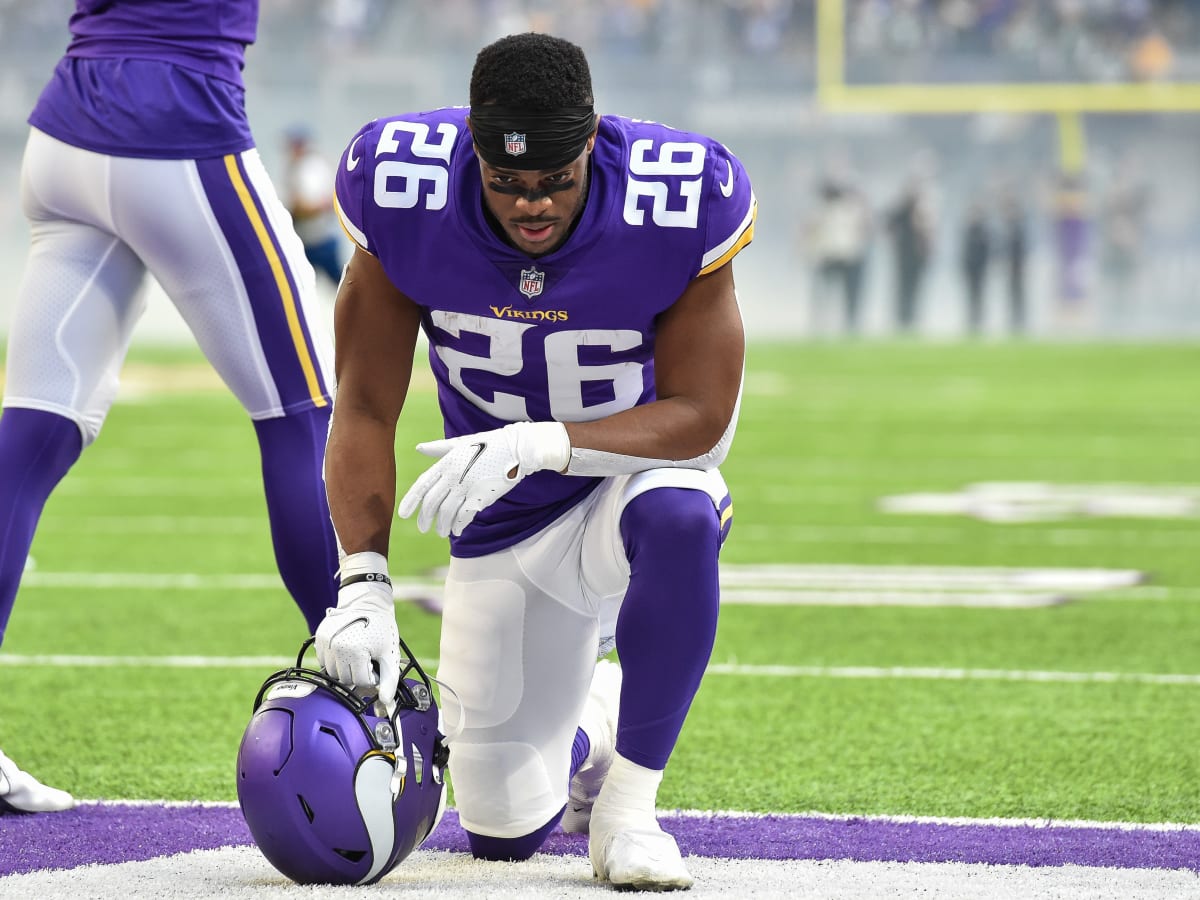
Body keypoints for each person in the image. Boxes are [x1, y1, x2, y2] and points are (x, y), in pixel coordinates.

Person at [313, 32, 754, 891]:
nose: (533, 205)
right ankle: (592, 717)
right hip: (504, 526)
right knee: (503, 828)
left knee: (679, 513)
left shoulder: (676, 194)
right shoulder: (403, 188)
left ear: (591, 142)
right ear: (472, 150)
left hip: (626, 477)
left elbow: (702, 421)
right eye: (507, 181)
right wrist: (361, 582)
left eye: (556, 179)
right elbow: (364, 403)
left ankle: (630, 809)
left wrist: (543, 441)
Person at [0, 0, 339, 813]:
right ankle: (374, 688)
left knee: (33, 432)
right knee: (307, 414)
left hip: (65, 130)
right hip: (179, 120)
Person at [806, 175, 872, 337]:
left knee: (845, 295)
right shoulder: (823, 211)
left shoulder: (848, 210)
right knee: (827, 294)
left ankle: (848, 324)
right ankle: (823, 323)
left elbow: (862, 231)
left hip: (844, 257)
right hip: (832, 257)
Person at [283, 124, 347, 287]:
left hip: (320, 240)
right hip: (307, 240)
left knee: (341, 287)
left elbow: (312, 204)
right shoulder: (297, 167)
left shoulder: (311, 168)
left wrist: (295, 209)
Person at [960, 201, 991, 336]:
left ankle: (979, 320)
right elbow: (963, 251)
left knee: (980, 294)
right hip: (969, 268)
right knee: (970, 294)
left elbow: (987, 251)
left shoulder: (984, 231)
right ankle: (971, 319)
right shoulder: (967, 231)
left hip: (980, 268)